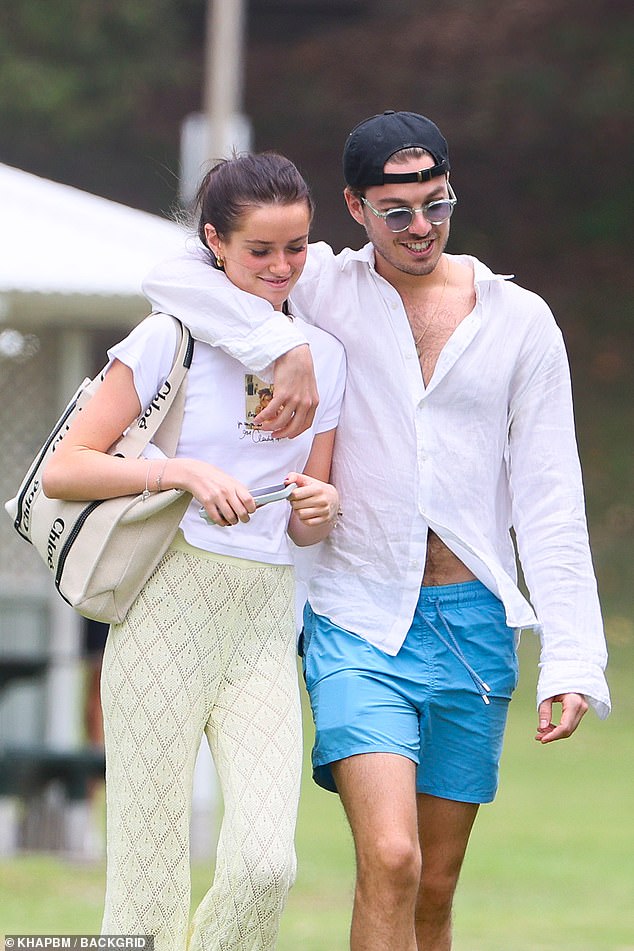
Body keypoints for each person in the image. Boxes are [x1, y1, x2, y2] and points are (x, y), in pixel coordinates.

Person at [142, 112, 611, 951]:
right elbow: (173, 279)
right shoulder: (320, 287)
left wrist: (573, 656)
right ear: (355, 210)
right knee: (389, 856)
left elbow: (550, 498)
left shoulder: (520, 320)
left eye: (438, 204)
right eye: (398, 212)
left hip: (473, 624)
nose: (422, 227)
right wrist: (278, 344)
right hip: (356, 615)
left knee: (434, 883)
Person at [42, 152, 346, 951]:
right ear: (214, 242)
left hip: (262, 625)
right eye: (261, 251)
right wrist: (176, 470)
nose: (283, 268)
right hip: (160, 614)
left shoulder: (323, 359)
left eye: (298, 248)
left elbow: (307, 518)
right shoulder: (167, 336)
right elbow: (67, 467)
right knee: (144, 892)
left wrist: (321, 505)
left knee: (263, 865)